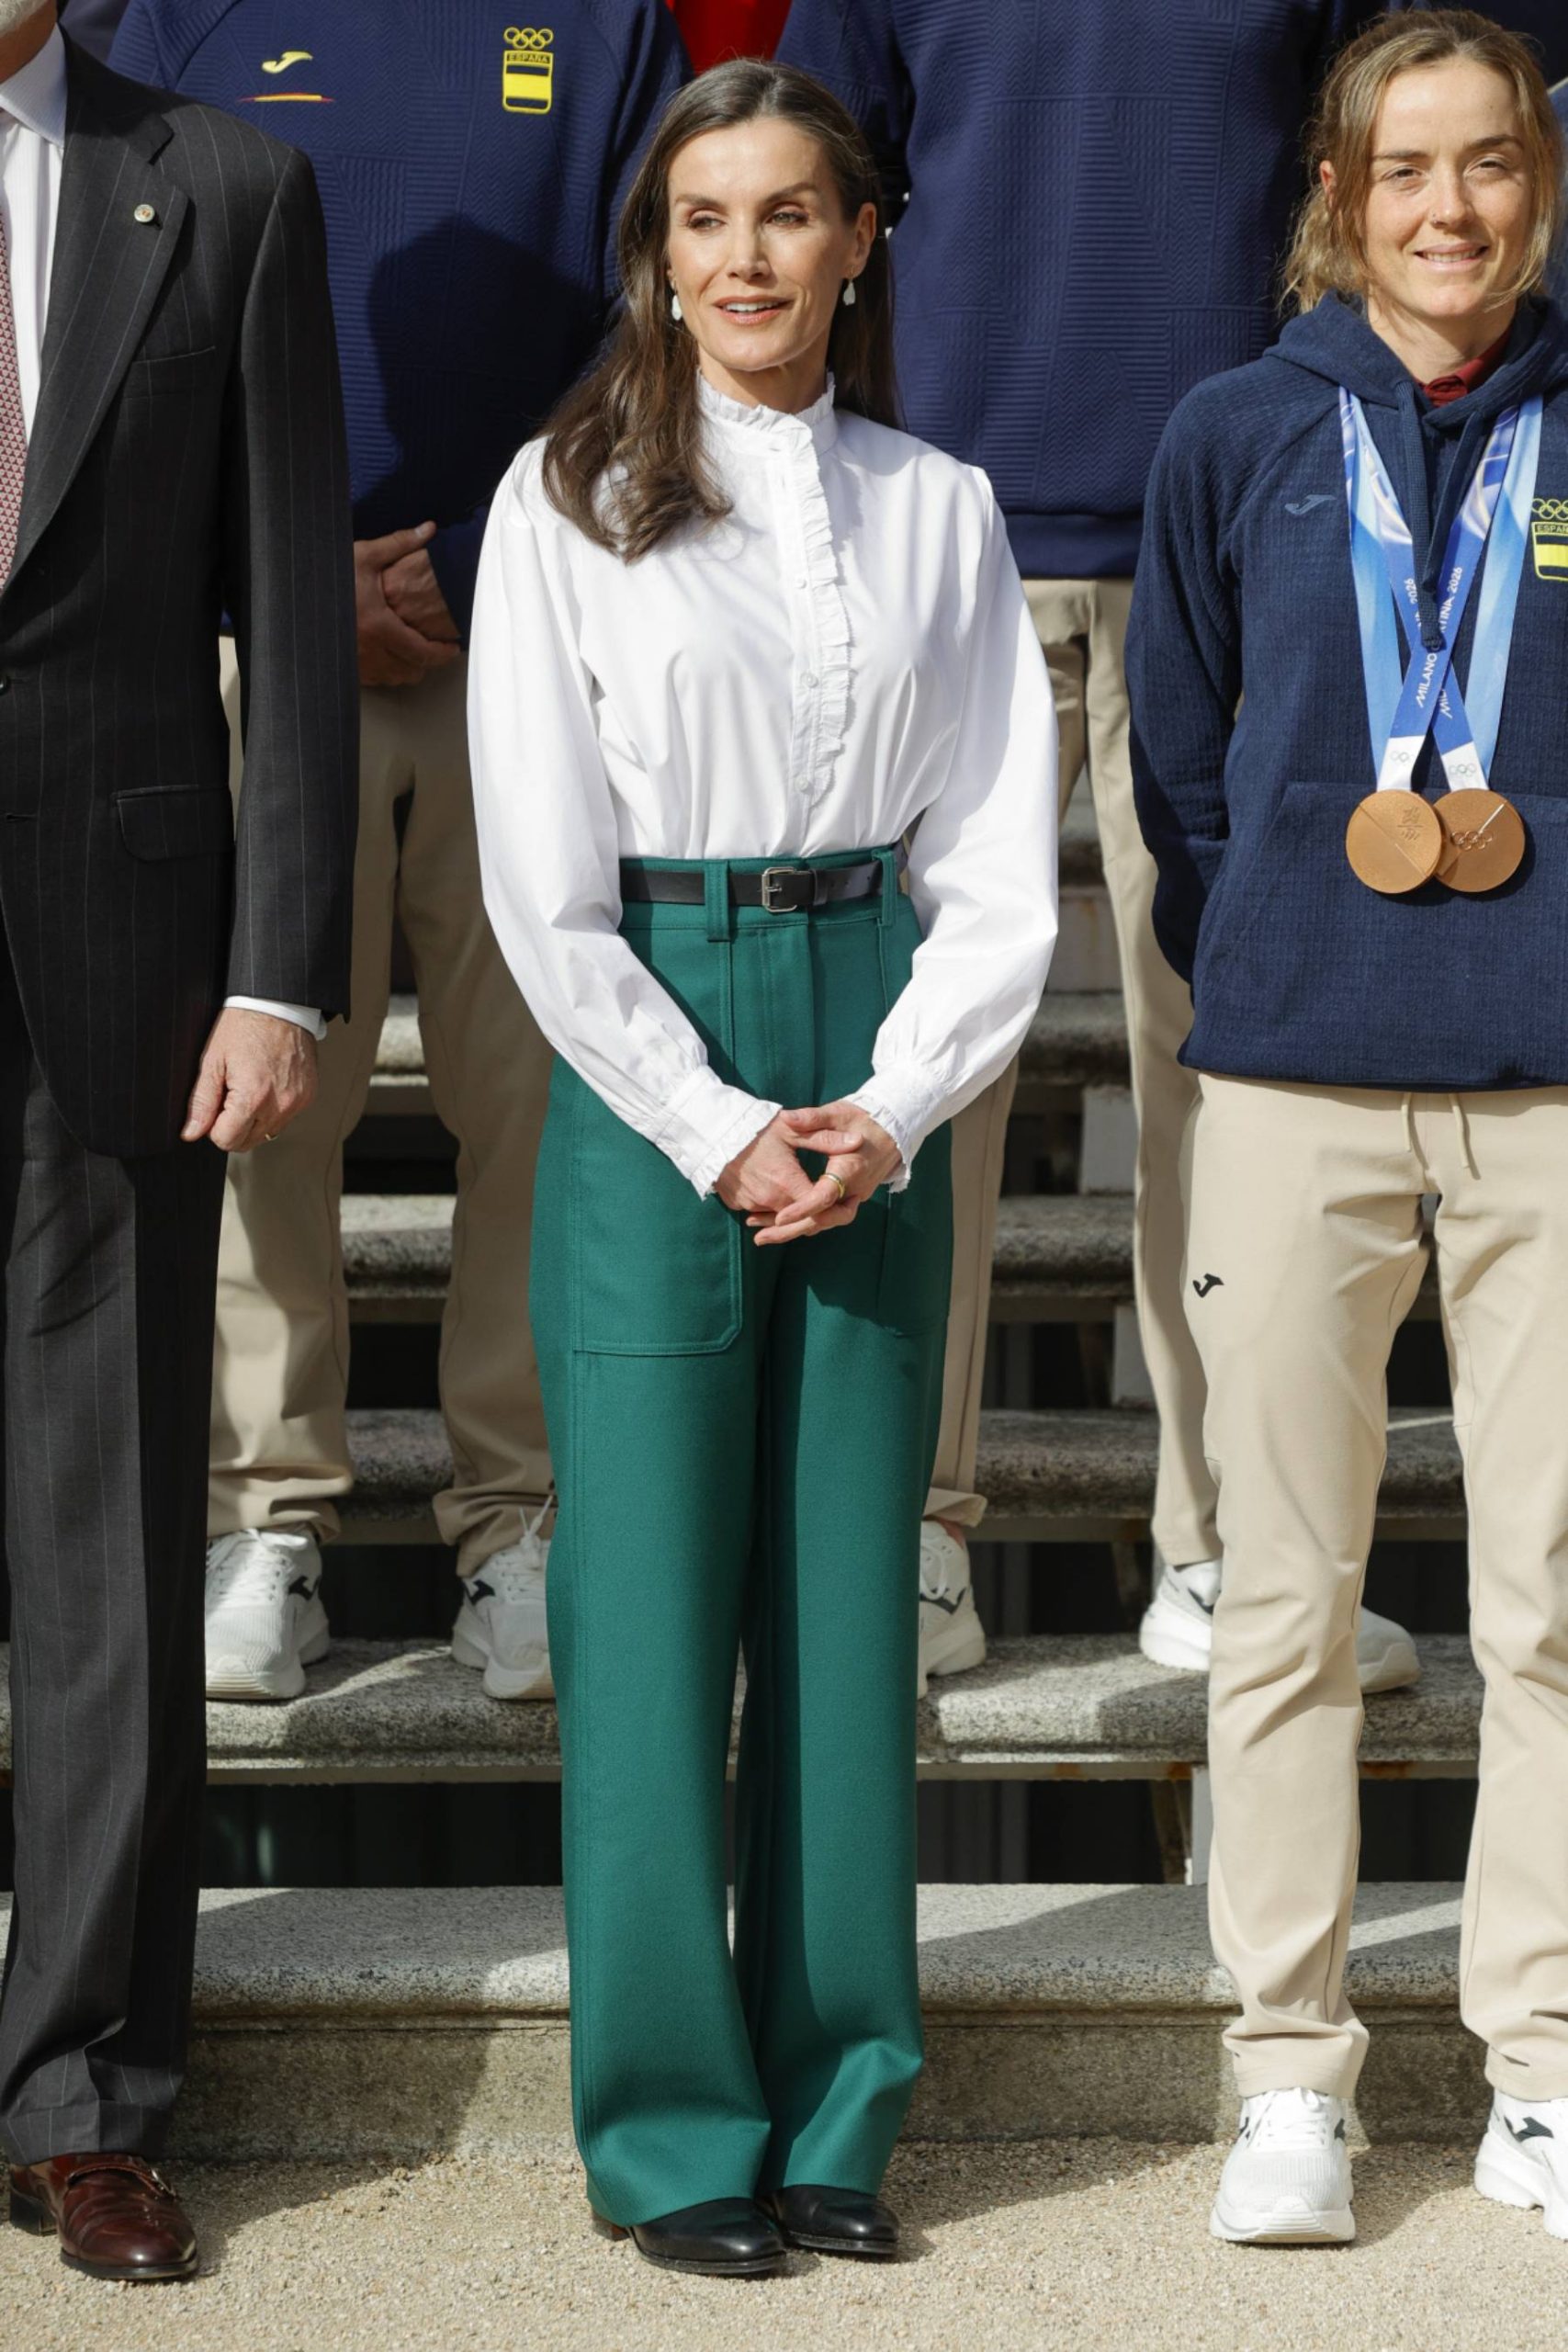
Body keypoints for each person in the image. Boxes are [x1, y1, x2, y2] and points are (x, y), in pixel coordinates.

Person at [469, 60, 1055, 2277]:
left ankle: (839, 2102)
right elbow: (543, 889)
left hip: (869, 1013)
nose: (745, 258)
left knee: (837, 1609)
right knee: (641, 1619)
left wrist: (888, 1107)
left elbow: (998, 859)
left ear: (857, 236)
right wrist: (721, 1122)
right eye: (704, 218)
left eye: (788, 214)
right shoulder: (562, 499)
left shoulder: (940, 507)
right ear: (658, 248)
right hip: (659, 1058)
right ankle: (670, 2125)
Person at [776, 0, 1421, 1697]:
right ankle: (907, 1530)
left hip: (1239, 534)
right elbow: (812, 165)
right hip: (949, 534)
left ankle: (1227, 1543)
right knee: (922, 1058)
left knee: (1224, 1069)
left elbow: (1373, 148)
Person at [109, 0, 686, 1704]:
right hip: (238, 642)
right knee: (254, 1096)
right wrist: (261, 578)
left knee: (540, 1101)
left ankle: (520, 1524)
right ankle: (263, 1523)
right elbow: (121, 295)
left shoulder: (600, 17)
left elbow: (655, 304)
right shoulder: (168, 9)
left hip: (530, 643)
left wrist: (514, 547)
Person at [1129, 7, 1568, 2249]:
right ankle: (1286, 2072)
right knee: (1286, 1597)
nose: (1448, 209)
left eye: (1486, 163)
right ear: (1336, 193)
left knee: (1548, 1602)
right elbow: (1182, 775)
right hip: (1296, 1081)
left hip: (1557, 1095)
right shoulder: (1230, 432)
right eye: (1404, 170)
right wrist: (1295, 946)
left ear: (1537, 181)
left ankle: (1542, 2064)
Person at [0, 0, 355, 2281]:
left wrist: (279, 961)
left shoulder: (222, 182)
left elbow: (293, 599)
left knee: (110, 1548)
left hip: (116, 960)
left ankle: (92, 2087)